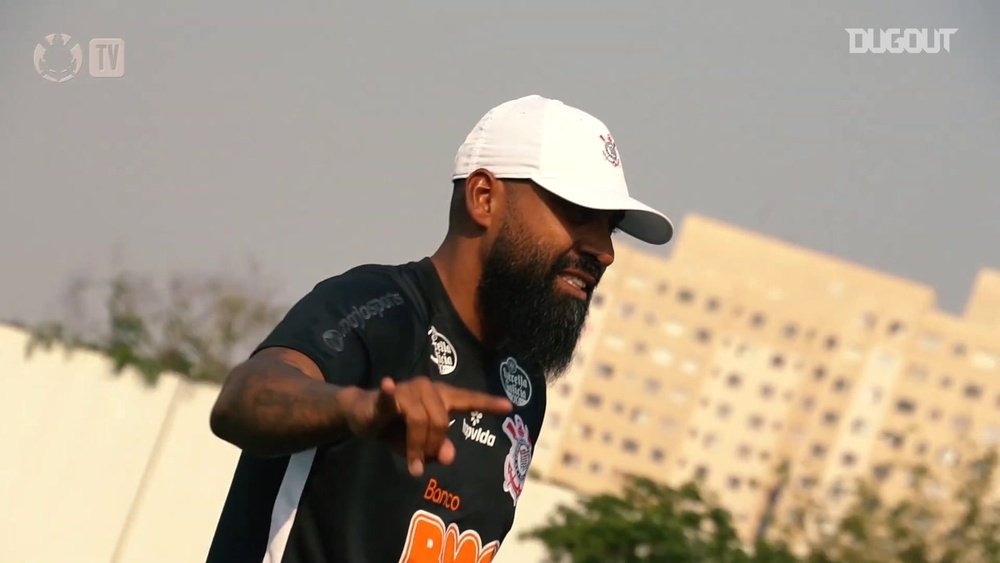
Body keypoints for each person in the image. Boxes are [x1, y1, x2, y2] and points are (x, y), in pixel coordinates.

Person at [206, 94, 674, 563]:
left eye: (609, 229)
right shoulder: (382, 307)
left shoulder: (524, 385)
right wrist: (356, 407)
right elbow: (241, 400)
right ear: (484, 198)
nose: (603, 251)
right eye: (577, 214)